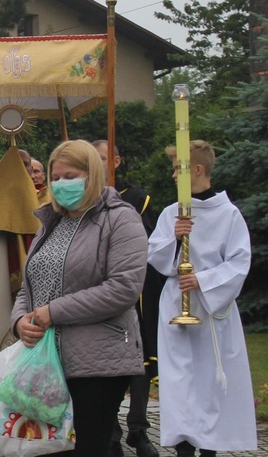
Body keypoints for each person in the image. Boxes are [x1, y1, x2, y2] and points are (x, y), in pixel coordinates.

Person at [10, 140, 148, 457]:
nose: (60, 184)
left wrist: (52, 313)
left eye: (69, 176)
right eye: (55, 177)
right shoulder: (52, 222)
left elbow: (123, 288)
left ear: (92, 175)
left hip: (97, 363)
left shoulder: (120, 219)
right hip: (47, 359)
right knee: (43, 449)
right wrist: (20, 321)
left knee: (88, 448)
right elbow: (28, 286)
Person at [147, 140, 257, 457]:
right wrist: (175, 236)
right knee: (179, 380)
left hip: (211, 310)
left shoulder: (229, 215)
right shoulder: (172, 214)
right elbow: (155, 256)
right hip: (176, 304)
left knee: (210, 381)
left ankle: (209, 447)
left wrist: (204, 280)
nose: (172, 176)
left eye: (176, 169)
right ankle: (183, 447)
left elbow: (239, 262)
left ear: (196, 169)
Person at [94, 140, 161, 457]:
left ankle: (138, 429)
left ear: (116, 161)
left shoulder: (137, 199)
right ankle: (110, 432)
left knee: (139, 360)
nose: (98, 164)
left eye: (103, 159)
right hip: (97, 291)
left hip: (134, 289)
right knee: (102, 362)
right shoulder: (82, 202)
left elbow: (152, 246)